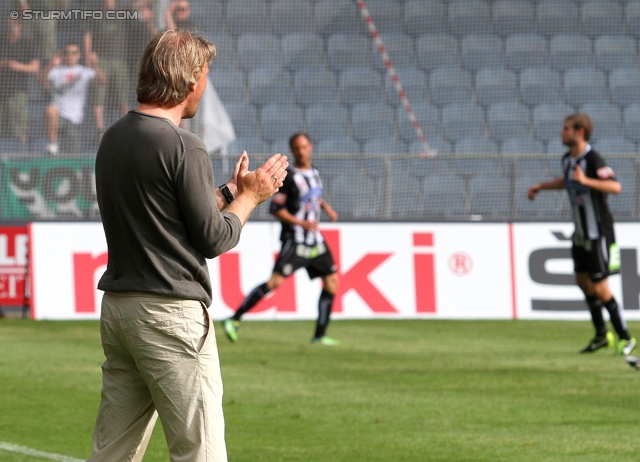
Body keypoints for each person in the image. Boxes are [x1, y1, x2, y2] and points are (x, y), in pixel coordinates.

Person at [90, 29, 288, 461]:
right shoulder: (184, 145)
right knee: (200, 452)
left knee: (113, 452)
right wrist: (251, 197)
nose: (206, 86)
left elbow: (163, 211)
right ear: (191, 78)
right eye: (206, 75)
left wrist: (224, 194)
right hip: (169, 314)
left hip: (121, 310)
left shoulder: (115, 137)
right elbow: (215, 238)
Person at [527, 113, 636, 356]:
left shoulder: (593, 159)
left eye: (565, 129)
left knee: (600, 288)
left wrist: (587, 180)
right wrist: (541, 187)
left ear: (579, 132)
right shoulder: (568, 160)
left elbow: (615, 186)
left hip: (598, 233)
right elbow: (567, 182)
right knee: (582, 281)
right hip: (580, 234)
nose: (561, 132)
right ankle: (601, 334)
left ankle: (626, 337)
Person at [222, 133, 341, 346]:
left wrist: (326, 208)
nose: (301, 151)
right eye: (297, 148)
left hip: (316, 241)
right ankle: (234, 319)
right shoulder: (289, 177)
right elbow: (276, 209)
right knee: (275, 282)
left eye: (304, 147)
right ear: (293, 150)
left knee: (332, 282)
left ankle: (320, 335)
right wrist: (301, 223)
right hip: (296, 240)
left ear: (310, 147)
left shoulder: (314, 172)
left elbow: (314, 196)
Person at [40, 43, 106, 155]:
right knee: (51, 109)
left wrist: (95, 65)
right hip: (58, 117)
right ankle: (52, 144)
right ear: (62, 54)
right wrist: (51, 64)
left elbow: (102, 81)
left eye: (74, 53)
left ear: (79, 55)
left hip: (75, 119)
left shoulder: (84, 71)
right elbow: (40, 80)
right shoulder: (56, 71)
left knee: (71, 156)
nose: (70, 55)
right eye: (67, 52)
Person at [0, 18, 39, 145]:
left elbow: (35, 67)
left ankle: (20, 153)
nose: (12, 34)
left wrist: (17, 66)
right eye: (9, 31)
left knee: (18, 127)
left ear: (19, 28)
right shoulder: (2, 42)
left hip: (18, 91)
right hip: (2, 90)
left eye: (14, 30)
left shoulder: (27, 44)